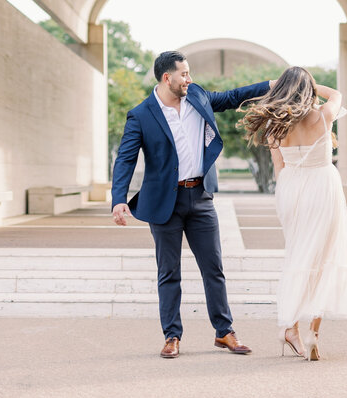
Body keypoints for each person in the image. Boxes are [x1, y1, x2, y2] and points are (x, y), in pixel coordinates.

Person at [111, 50, 273, 359]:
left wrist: (271, 84)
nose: (190, 79)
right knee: (168, 272)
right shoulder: (141, 115)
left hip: (200, 197)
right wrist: (118, 199)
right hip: (164, 204)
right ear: (167, 77)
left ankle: (224, 332)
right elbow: (126, 159)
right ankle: (172, 336)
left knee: (214, 269)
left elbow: (233, 96)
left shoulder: (197, 96)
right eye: (184, 74)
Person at [240, 66, 347, 360]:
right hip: (322, 186)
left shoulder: (274, 126)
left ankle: (289, 326)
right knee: (325, 257)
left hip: (291, 189)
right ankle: (312, 332)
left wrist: (288, 196)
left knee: (298, 255)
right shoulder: (322, 116)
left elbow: (279, 168)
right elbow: (338, 95)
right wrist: (314, 85)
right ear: (308, 91)